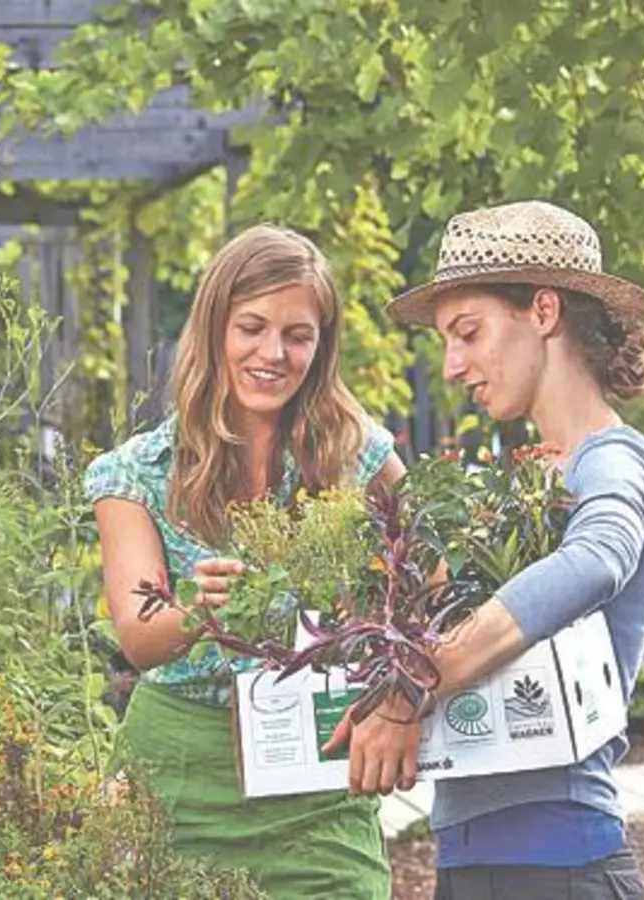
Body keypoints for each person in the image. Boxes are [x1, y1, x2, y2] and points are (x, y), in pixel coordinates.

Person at [333, 200, 644, 899]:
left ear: (543, 311)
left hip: (558, 865)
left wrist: (413, 683)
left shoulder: (613, 462)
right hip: (475, 863)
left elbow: (596, 558)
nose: (453, 366)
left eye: (468, 333)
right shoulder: (529, 478)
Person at [84, 224, 403, 897]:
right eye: (251, 328)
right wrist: (197, 612)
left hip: (317, 773)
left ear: (320, 347)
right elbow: (139, 638)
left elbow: (430, 594)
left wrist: (386, 663)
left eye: (297, 335)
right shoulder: (136, 474)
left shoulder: (360, 456)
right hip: (176, 776)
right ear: (214, 331)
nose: (273, 353)